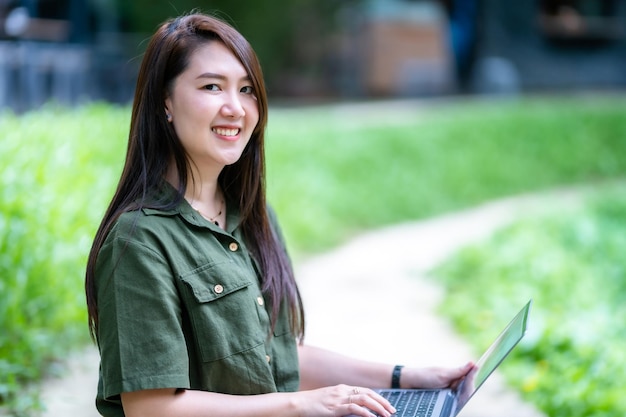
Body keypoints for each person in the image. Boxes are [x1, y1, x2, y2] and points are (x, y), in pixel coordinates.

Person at [84, 12, 473, 417]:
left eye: (247, 89)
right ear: (165, 102)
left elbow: (280, 357)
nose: (235, 108)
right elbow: (153, 408)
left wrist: (404, 377)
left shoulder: (252, 217)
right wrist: (300, 405)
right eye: (212, 87)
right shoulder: (139, 241)